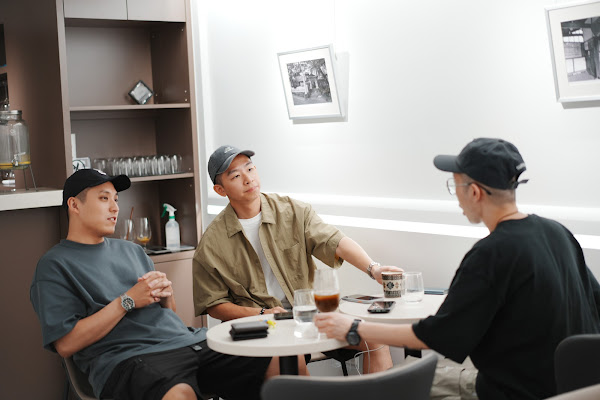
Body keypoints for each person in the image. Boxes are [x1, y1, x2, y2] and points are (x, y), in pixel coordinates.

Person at [314, 138, 600, 399]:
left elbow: (434, 336)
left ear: (474, 192)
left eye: (455, 187)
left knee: (393, 383)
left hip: (511, 392)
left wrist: (355, 327)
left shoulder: (491, 254)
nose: (457, 198)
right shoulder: (558, 233)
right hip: (573, 388)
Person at [30, 169, 276, 400]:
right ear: (74, 205)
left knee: (278, 360)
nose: (115, 207)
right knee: (179, 394)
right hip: (130, 358)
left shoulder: (132, 251)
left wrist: (167, 297)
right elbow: (66, 344)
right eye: (104, 198)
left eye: (116, 199)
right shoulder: (55, 265)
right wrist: (127, 301)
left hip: (188, 342)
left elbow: (168, 316)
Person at [193, 145, 401, 373]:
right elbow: (214, 305)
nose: (248, 179)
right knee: (291, 357)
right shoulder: (212, 242)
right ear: (220, 190)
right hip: (258, 326)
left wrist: (373, 269)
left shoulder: (292, 211)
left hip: (308, 315)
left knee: (374, 337)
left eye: (250, 169)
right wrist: (261, 314)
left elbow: (335, 241)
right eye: (235, 176)